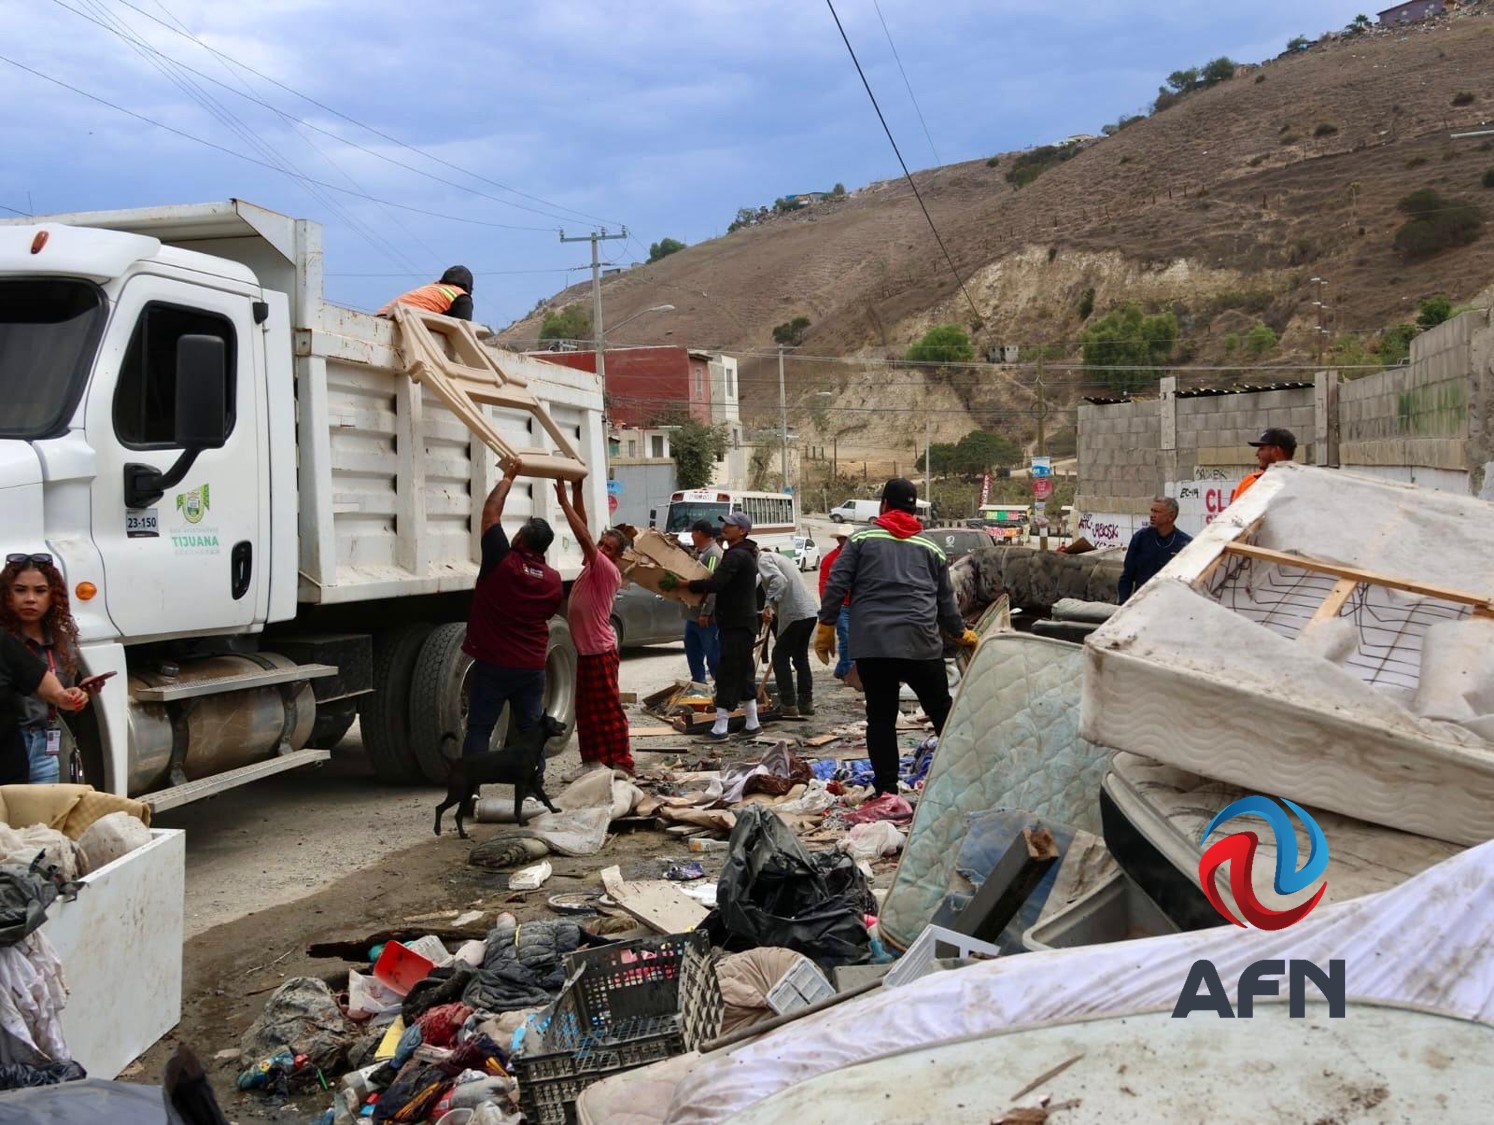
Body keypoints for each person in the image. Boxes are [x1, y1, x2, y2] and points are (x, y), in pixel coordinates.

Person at [815, 479, 976, 808]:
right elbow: (946, 600)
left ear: (884, 505)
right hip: (922, 643)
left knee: (881, 718)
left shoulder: (861, 539)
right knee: (942, 712)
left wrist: (827, 623)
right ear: (913, 509)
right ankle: (963, 780)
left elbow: (838, 581)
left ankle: (888, 789)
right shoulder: (931, 548)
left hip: (875, 645)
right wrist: (959, 633)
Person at [461, 458, 563, 757]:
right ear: (544, 548)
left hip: (493, 665)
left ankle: (472, 792)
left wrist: (509, 477)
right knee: (531, 730)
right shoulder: (553, 580)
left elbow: (490, 513)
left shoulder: (501, 563)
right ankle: (534, 789)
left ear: (518, 538)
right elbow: (545, 614)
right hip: (531, 667)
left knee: (480, 728)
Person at [553, 481, 634, 774]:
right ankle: (593, 762)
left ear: (616, 556)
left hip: (600, 651)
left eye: (608, 547)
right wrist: (576, 491)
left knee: (609, 710)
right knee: (586, 711)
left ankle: (622, 763)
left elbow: (584, 535)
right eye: (601, 543)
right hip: (587, 651)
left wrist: (563, 502)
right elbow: (586, 531)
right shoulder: (592, 563)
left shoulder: (606, 569)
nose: (601, 548)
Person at [659, 513, 761, 742]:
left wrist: (683, 584)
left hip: (736, 623)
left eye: (730, 525)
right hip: (741, 622)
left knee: (726, 672)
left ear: (742, 531)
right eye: (725, 523)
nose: (724, 527)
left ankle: (720, 728)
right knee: (743, 671)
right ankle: (752, 723)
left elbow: (716, 583)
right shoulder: (742, 552)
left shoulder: (736, 556)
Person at [1, 554, 96, 783]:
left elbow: (63, 700)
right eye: (20, 590)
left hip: (47, 745)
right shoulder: (5, 641)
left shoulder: (63, 642)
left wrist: (80, 695)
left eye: (40, 591)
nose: (30, 599)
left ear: (53, 595)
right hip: (11, 743)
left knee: (44, 817)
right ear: (6, 595)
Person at [0, 628, 86, 787]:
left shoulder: (4, 642)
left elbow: (37, 675)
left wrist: (62, 697)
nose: (31, 601)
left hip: (9, 773)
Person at [758, 547, 819, 718]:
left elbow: (778, 580)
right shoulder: (781, 558)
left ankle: (788, 704)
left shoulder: (763, 559)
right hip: (809, 612)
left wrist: (768, 604)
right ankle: (806, 703)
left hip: (796, 614)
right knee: (800, 657)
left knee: (779, 656)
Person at [1117, 497, 1193, 603]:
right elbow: (1127, 576)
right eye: (1152, 511)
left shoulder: (1185, 544)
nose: (1152, 515)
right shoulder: (1140, 538)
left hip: (1171, 603)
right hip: (1142, 602)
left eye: (1157, 512)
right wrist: (1122, 603)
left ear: (1171, 516)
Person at [684, 519, 723, 685]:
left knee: (713, 655)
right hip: (692, 616)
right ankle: (699, 685)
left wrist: (706, 612)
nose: (691, 536)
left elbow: (712, 582)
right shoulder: (700, 552)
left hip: (706, 618)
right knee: (693, 653)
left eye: (692, 532)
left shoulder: (713, 555)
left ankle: (721, 687)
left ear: (699, 533)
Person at [377, 266, 475, 321]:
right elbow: (464, 329)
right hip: (404, 321)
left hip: (380, 317)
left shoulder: (431, 288)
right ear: (468, 287)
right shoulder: (461, 296)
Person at [818, 531, 853, 682]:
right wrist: (828, 606)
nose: (843, 541)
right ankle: (847, 671)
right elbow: (824, 584)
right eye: (841, 538)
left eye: (846, 538)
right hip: (840, 605)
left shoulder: (857, 556)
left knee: (853, 639)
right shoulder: (829, 559)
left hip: (855, 604)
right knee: (845, 637)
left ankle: (842, 669)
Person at [1230, 427, 1296, 504]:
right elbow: (1233, 514)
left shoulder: (1300, 483)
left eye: (1262, 448)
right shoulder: (1249, 481)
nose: (1257, 454)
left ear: (1276, 450)